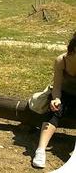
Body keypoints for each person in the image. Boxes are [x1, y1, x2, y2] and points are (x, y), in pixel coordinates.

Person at [32, 33, 76, 168]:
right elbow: (56, 87)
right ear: (73, 48)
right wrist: (56, 99)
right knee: (54, 110)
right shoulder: (61, 60)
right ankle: (40, 150)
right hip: (65, 94)